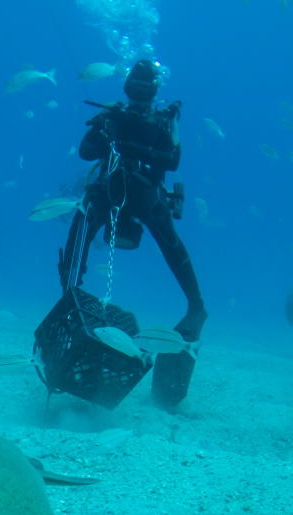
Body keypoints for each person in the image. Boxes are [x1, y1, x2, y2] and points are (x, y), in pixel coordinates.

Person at [56, 58, 206, 406]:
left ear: (154, 92)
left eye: (145, 91)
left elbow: (171, 162)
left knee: (184, 275)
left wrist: (131, 146)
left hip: (148, 199)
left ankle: (195, 311)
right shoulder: (113, 115)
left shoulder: (165, 121)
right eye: (134, 91)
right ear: (126, 90)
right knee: (78, 248)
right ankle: (71, 304)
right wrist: (107, 127)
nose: (139, 98)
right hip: (110, 193)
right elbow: (85, 151)